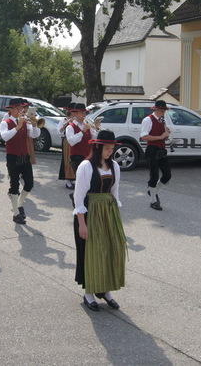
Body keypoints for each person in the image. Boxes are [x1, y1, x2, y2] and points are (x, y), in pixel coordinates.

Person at [73, 130, 126, 311]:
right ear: (97, 147)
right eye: (108, 148)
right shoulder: (86, 166)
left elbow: (114, 192)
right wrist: (82, 223)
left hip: (108, 213)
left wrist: (116, 218)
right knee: (91, 252)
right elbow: (78, 197)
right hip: (90, 212)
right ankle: (89, 292)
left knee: (110, 250)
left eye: (112, 148)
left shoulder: (115, 167)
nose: (110, 151)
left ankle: (106, 291)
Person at [0, 98, 41, 225]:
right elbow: (5, 137)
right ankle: (16, 214)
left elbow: (35, 135)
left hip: (25, 156)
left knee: (29, 184)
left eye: (21, 108)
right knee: (14, 185)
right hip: (13, 157)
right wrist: (18, 126)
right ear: (11, 110)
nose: (20, 111)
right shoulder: (5, 123)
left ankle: (19, 204)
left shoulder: (25, 122)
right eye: (17, 108)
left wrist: (34, 124)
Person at [140, 100, 172, 211]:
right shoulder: (148, 120)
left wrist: (166, 134)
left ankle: (153, 191)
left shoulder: (163, 120)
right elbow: (143, 136)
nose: (163, 112)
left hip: (161, 150)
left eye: (164, 110)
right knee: (154, 176)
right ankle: (153, 200)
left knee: (167, 175)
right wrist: (160, 136)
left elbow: (163, 135)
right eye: (162, 110)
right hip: (152, 150)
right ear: (156, 109)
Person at [66, 103, 98, 179]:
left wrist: (95, 129)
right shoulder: (70, 127)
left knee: (89, 178)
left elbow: (94, 138)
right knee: (81, 179)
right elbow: (71, 141)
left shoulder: (87, 124)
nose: (84, 115)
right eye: (82, 112)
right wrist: (82, 131)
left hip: (88, 156)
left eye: (85, 113)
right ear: (76, 114)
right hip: (77, 157)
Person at [58, 103, 76, 189]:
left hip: (75, 142)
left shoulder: (77, 120)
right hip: (66, 142)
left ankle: (73, 179)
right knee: (67, 160)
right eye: (73, 111)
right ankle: (68, 180)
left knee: (74, 159)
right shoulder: (64, 120)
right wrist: (67, 123)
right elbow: (59, 131)